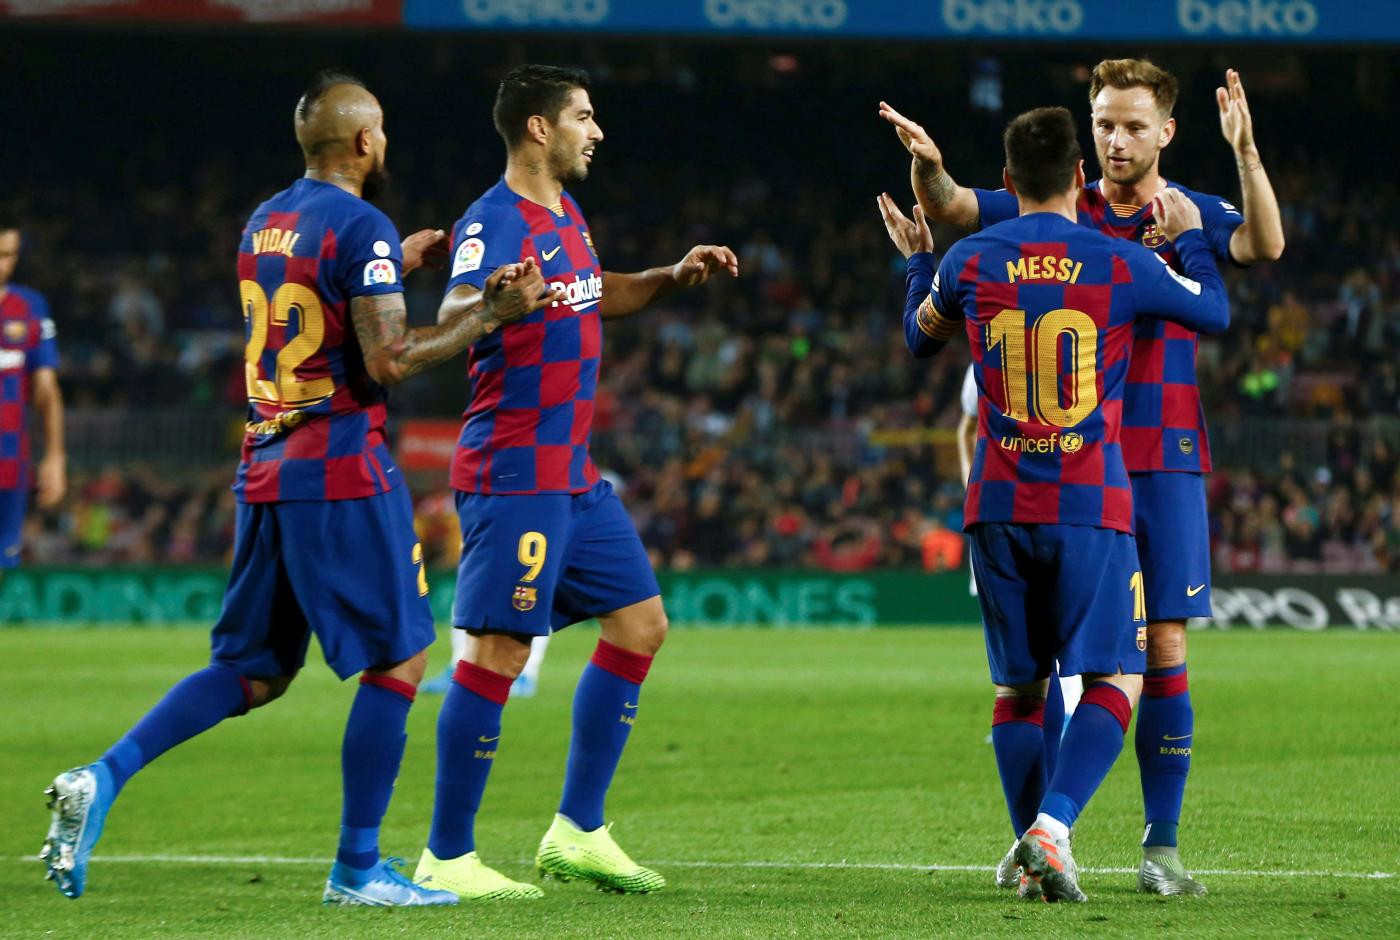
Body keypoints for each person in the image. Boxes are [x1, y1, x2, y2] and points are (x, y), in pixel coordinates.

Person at [39, 70, 558, 906]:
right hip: (340, 465)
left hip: (266, 464)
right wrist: (489, 317)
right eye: (380, 131)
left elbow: (318, 302)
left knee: (253, 669)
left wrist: (396, 265)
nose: (384, 143)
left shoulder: (266, 219)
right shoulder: (362, 223)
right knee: (400, 660)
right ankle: (357, 869)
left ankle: (101, 777)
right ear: (362, 142)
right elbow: (388, 360)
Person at [880, 60, 1283, 895]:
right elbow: (956, 206)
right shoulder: (1072, 215)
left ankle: (1157, 848)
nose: (1116, 139)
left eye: (1133, 125)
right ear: (1083, 142)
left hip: (1155, 457)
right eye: (1102, 123)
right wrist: (930, 173)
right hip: (1083, 469)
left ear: (1166, 132)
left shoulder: (1192, 210)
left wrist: (1245, 152)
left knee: (1159, 648)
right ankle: (1048, 835)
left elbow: (1265, 244)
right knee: (1077, 668)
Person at [416, 64, 737, 901]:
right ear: (537, 128)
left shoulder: (566, 215)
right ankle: (446, 854)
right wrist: (490, 304)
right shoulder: (494, 220)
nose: (596, 131)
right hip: (513, 471)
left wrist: (669, 277)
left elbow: (599, 296)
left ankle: (578, 831)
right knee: (499, 650)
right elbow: (453, 313)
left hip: (573, 477)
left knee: (640, 626)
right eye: (584, 117)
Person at [0, 216, 66, 567]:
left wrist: (55, 457)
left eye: (8, 254)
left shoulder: (29, 307)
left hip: (10, 462)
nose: (2, 264)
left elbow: (46, 389)